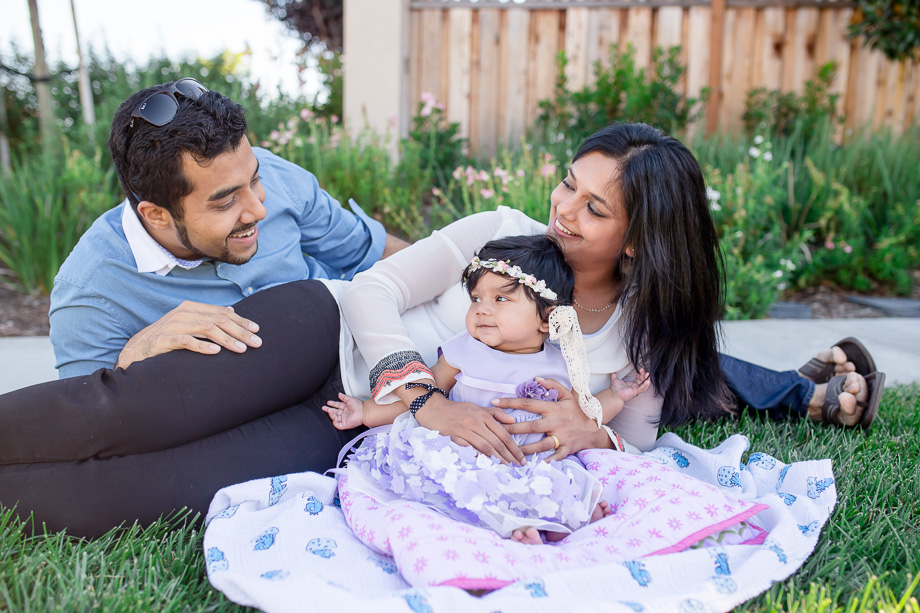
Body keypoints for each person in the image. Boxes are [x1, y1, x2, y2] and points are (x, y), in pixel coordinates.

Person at [0, 122, 882, 538]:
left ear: (645, 236)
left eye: (593, 205)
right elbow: (376, 288)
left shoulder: (638, 338)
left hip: (342, 433)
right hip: (320, 334)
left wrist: (595, 427)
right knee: (122, 412)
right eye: (568, 183)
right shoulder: (500, 229)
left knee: (129, 495)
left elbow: (637, 440)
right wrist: (419, 393)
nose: (562, 209)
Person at [49, 77, 407, 377]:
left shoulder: (272, 172)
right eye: (225, 202)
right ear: (156, 215)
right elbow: (87, 422)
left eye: (254, 180)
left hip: (358, 365)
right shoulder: (90, 293)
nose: (258, 210)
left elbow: (369, 251)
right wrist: (132, 357)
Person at [324, 235, 650, 543]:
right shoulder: (464, 350)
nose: (482, 308)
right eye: (476, 298)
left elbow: (586, 415)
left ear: (546, 319)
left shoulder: (562, 364)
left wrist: (616, 397)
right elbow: (426, 397)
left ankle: (551, 523)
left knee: (551, 483)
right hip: (464, 452)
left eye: (501, 299)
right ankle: (513, 526)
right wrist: (365, 411)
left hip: (524, 461)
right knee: (457, 481)